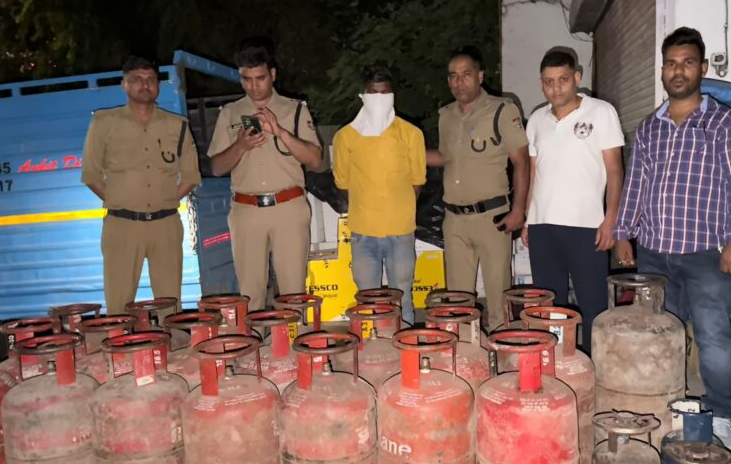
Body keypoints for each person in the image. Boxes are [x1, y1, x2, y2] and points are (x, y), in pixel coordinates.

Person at [613, 27, 731, 449]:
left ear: (703, 68)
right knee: (661, 335)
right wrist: (623, 233)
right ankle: (666, 405)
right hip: (655, 253)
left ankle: (721, 415)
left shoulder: (723, 123)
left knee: (713, 336)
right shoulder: (649, 128)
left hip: (705, 252)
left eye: (688, 63)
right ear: (662, 70)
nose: (679, 71)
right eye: (671, 64)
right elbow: (636, 184)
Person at [207, 37, 323, 311]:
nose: (253, 86)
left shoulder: (295, 110)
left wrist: (281, 132)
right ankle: (255, 338)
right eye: (246, 79)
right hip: (246, 210)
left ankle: (294, 339)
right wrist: (240, 146)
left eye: (260, 78)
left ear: (272, 74)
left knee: (293, 293)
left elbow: (315, 160)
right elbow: (217, 167)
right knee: (250, 295)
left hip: (288, 208)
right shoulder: (230, 113)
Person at [520, 49, 624, 354]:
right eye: (549, 82)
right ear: (541, 83)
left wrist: (611, 219)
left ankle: (593, 365)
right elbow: (535, 173)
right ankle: (556, 361)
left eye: (563, 80)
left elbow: (615, 170)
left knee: (593, 304)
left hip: (586, 227)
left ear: (576, 77)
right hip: (543, 227)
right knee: (550, 307)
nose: (556, 88)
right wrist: (528, 219)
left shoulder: (601, 112)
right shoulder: (536, 119)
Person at [81, 55, 201, 313]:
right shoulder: (104, 123)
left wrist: (166, 201)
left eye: (150, 79)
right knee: (119, 305)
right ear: (124, 84)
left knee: (170, 304)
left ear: (158, 85)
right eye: (136, 79)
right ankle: (119, 340)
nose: (144, 84)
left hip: (166, 225)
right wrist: (121, 201)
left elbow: (191, 176)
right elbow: (91, 174)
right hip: (122, 225)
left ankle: (172, 339)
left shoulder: (177, 125)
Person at [427, 45, 529, 329]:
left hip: (492, 218)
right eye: (453, 76)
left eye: (466, 74)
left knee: (498, 297)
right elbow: (445, 157)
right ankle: (464, 350)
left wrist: (519, 210)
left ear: (480, 76)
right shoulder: (446, 115)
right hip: (455, 220)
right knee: (457, 303)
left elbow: (522, 162)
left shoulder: (502, 110)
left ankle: (502, 347)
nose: (459, 82)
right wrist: (407, 154)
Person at [332, 67, 426, 324]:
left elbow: (417, 181)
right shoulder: (345, 137)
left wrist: (397, 207)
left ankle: (404, 343)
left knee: (402, 296)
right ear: (363, 95)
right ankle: (372, 345)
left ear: (393, 96)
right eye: (373, 93)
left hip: (401, 231)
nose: (379, 99)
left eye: (385, 93)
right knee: (367, 300)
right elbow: (342, 182)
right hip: (363, 232)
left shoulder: (411, 134)